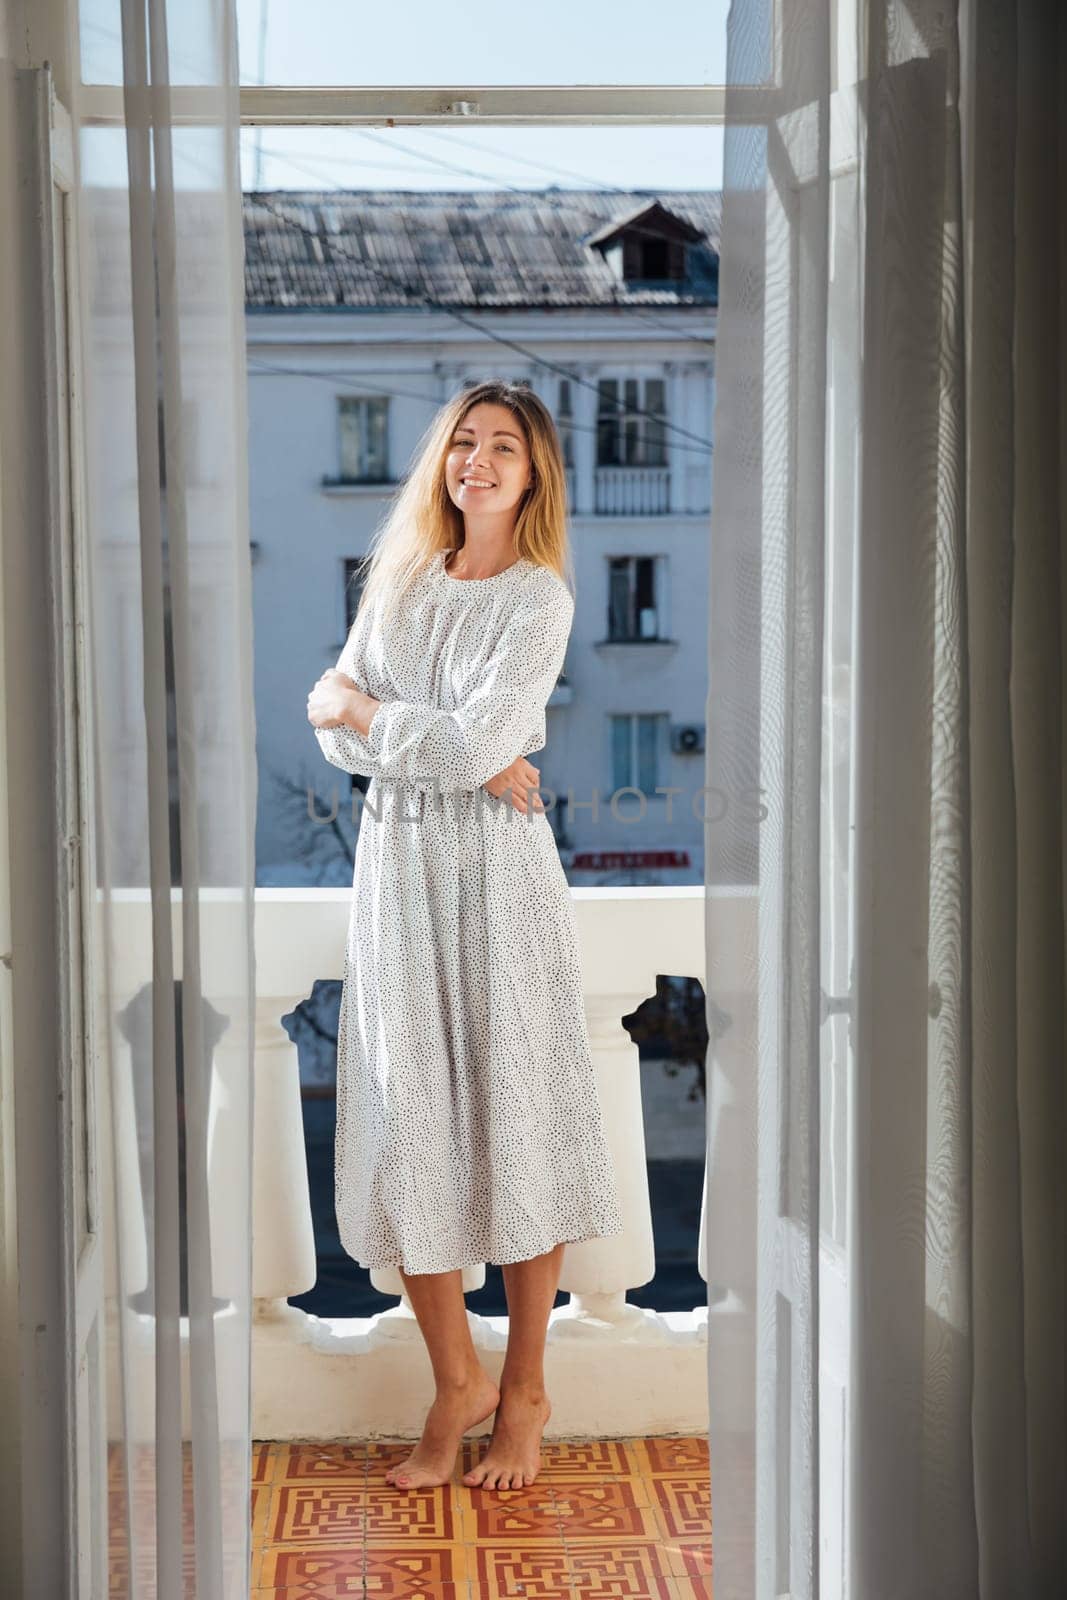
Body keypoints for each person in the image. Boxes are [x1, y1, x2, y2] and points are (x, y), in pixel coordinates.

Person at [306, 379, 624, 1493]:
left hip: (499, 881)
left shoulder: (538, 598)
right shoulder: (396, 582)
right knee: (409, 1129)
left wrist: (395, 724)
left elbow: (448, 729)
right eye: (462, 444)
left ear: (533, 473)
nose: (476, 462)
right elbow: (323, 708)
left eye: (502, 448)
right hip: (396, 877)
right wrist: (445, 747)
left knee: (516, 1118)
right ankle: (456, 1378)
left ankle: (524, 1386)